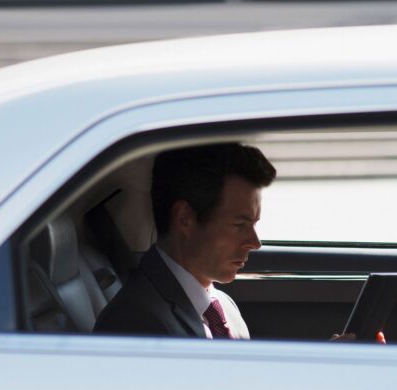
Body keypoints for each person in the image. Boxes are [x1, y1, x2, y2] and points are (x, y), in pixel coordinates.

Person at [94, 143, 275, 339]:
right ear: (184, 219)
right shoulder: (135, 325)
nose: (255, 243)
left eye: (254, 224)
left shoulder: (222, 305)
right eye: (239, 224)